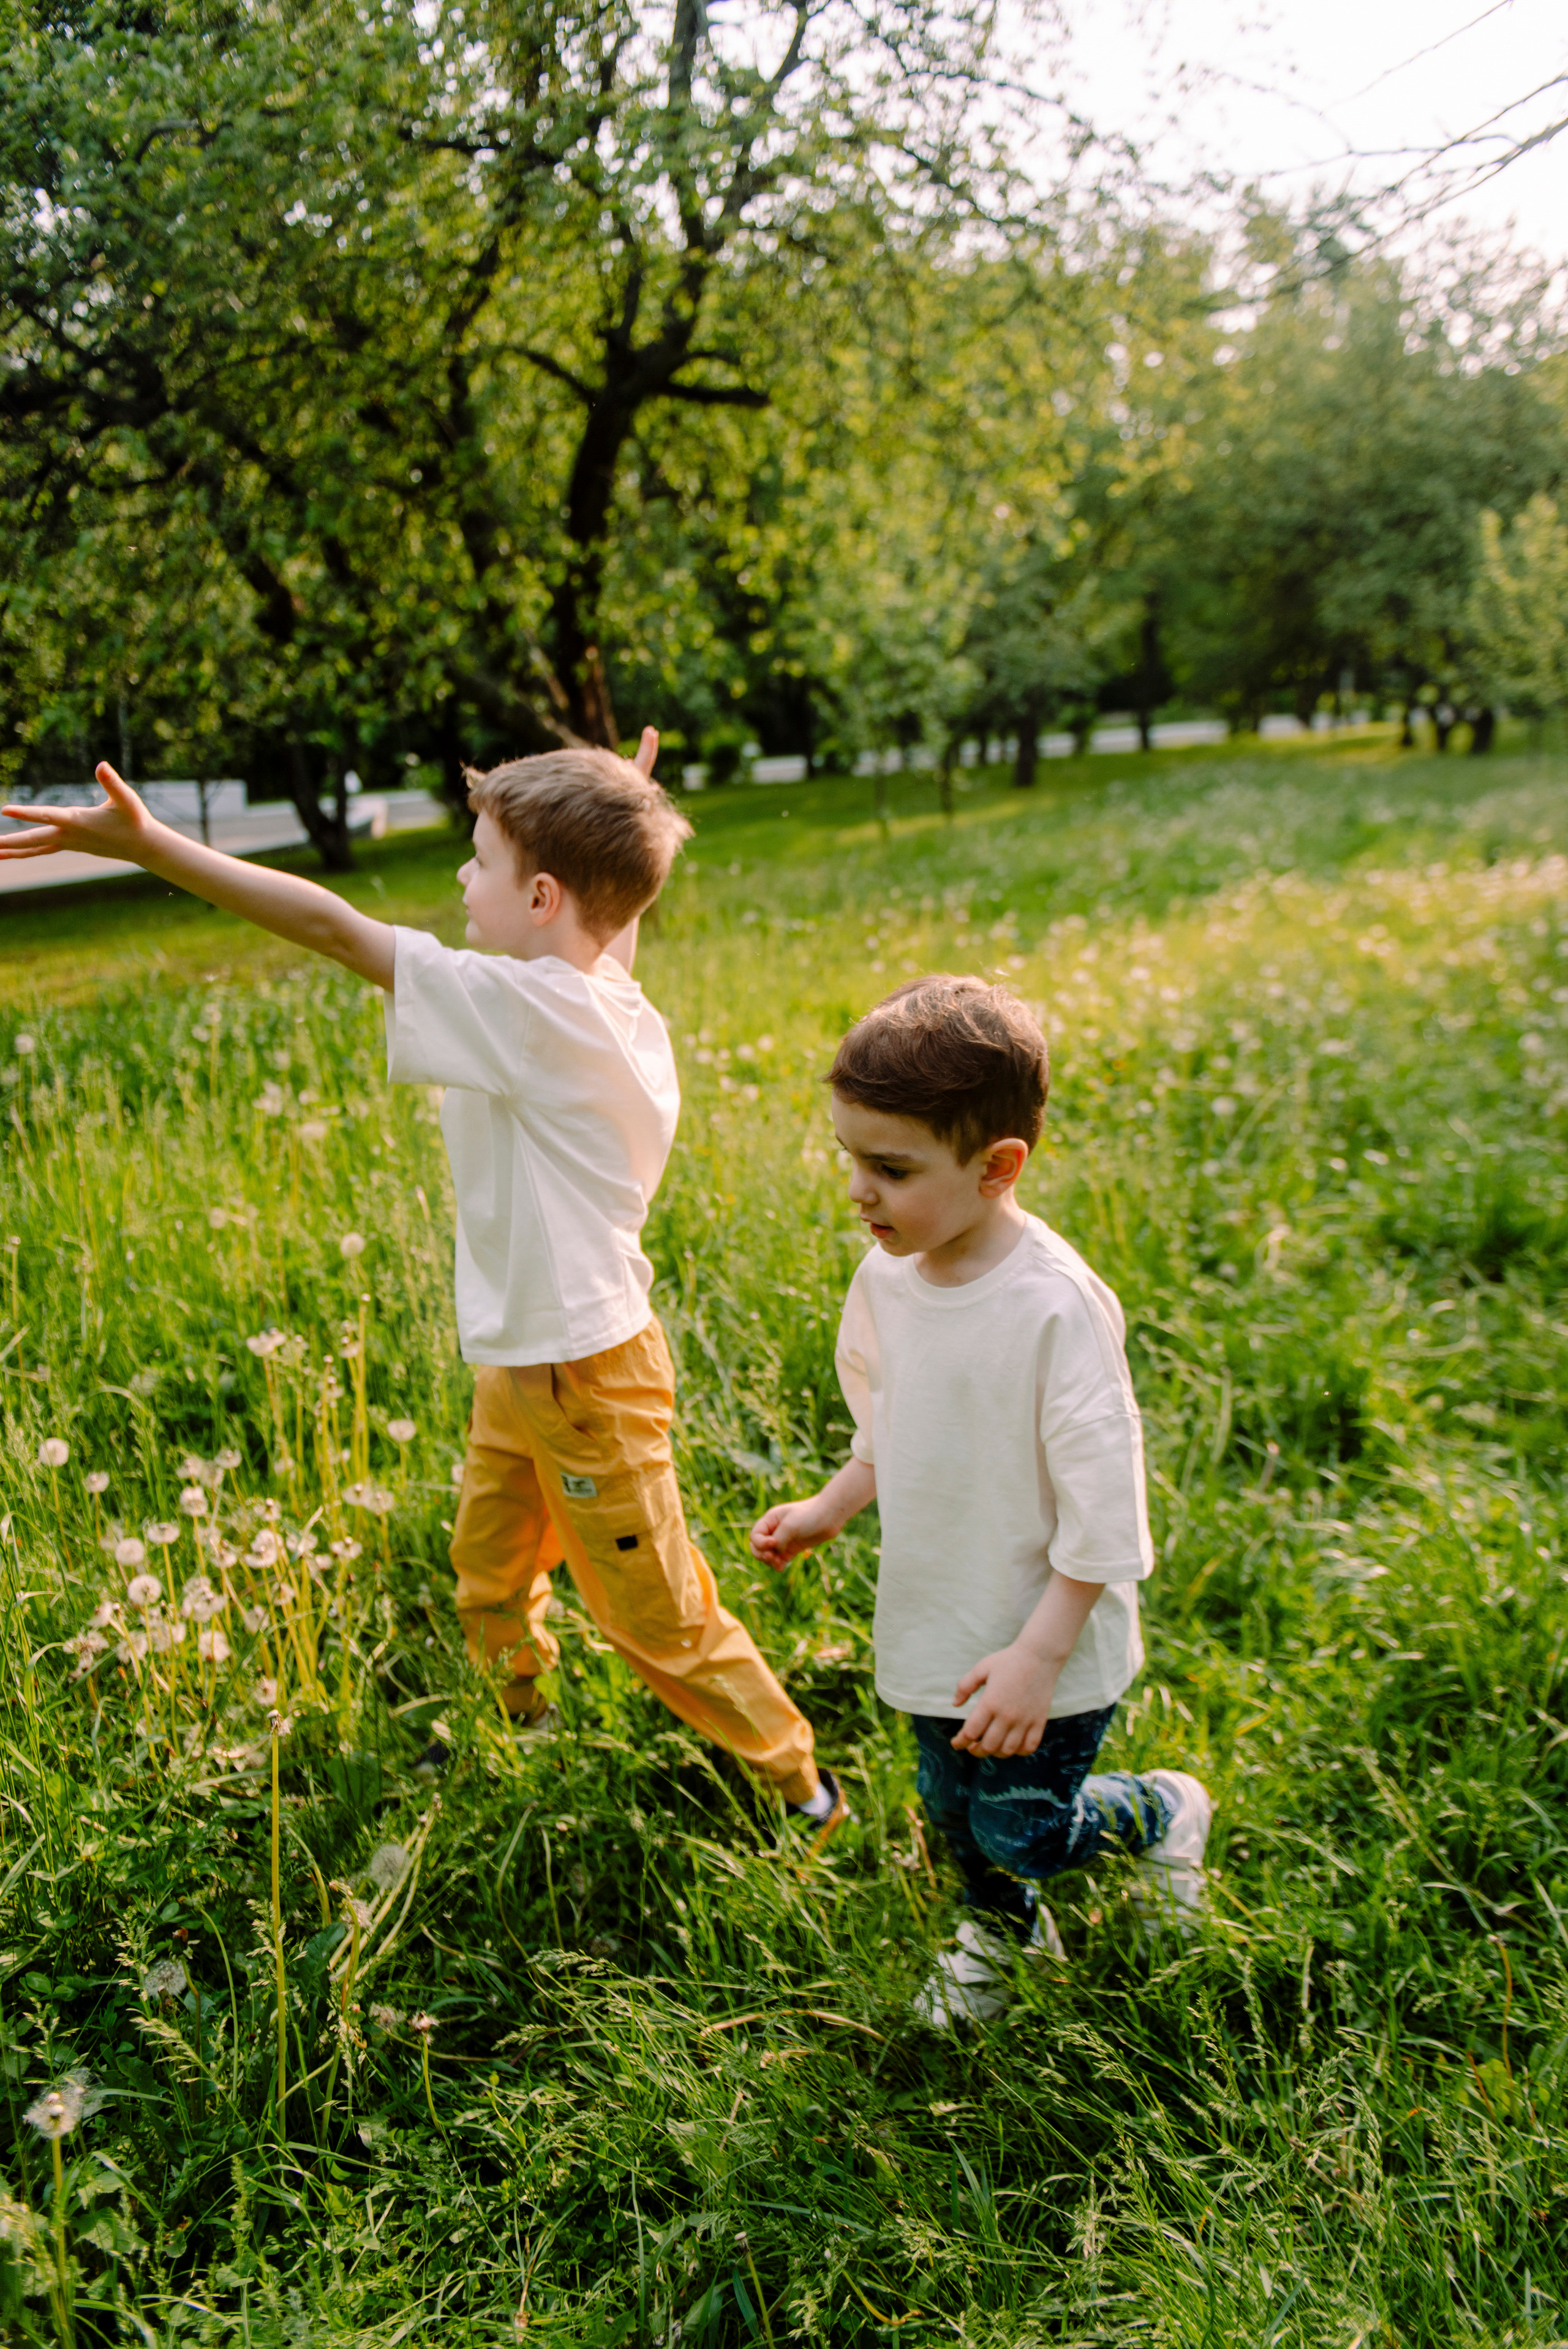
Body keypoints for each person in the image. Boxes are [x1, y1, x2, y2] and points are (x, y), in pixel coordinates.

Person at [2, 746, 845, 1833]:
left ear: (543, 898)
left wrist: (153, 845)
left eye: (480, 858)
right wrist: (619, 792)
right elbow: (610, 914)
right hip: (527, 1362)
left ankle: (800, 1783)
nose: (460, 877)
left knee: (656, 1615)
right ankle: (527, 1719)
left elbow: (333, 929)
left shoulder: (534, 1009)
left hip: (585, 1375)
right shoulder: (600, 988)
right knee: (488, 1570)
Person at [750, 974, 1210, 2024]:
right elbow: (889, 1435)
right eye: (851, 1160)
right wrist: (831, 1506)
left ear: (998, 1167)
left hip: (1043, 1640)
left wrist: (1039, 1656)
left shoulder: (1052, 1309)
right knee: (955, 1810)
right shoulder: (887, 1280)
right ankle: (1002, 1932)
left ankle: (1162, 1810)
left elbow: (1105, 1520)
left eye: (893, 1168)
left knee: (1027, 1825)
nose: (860, 1191)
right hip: (936, 1616)